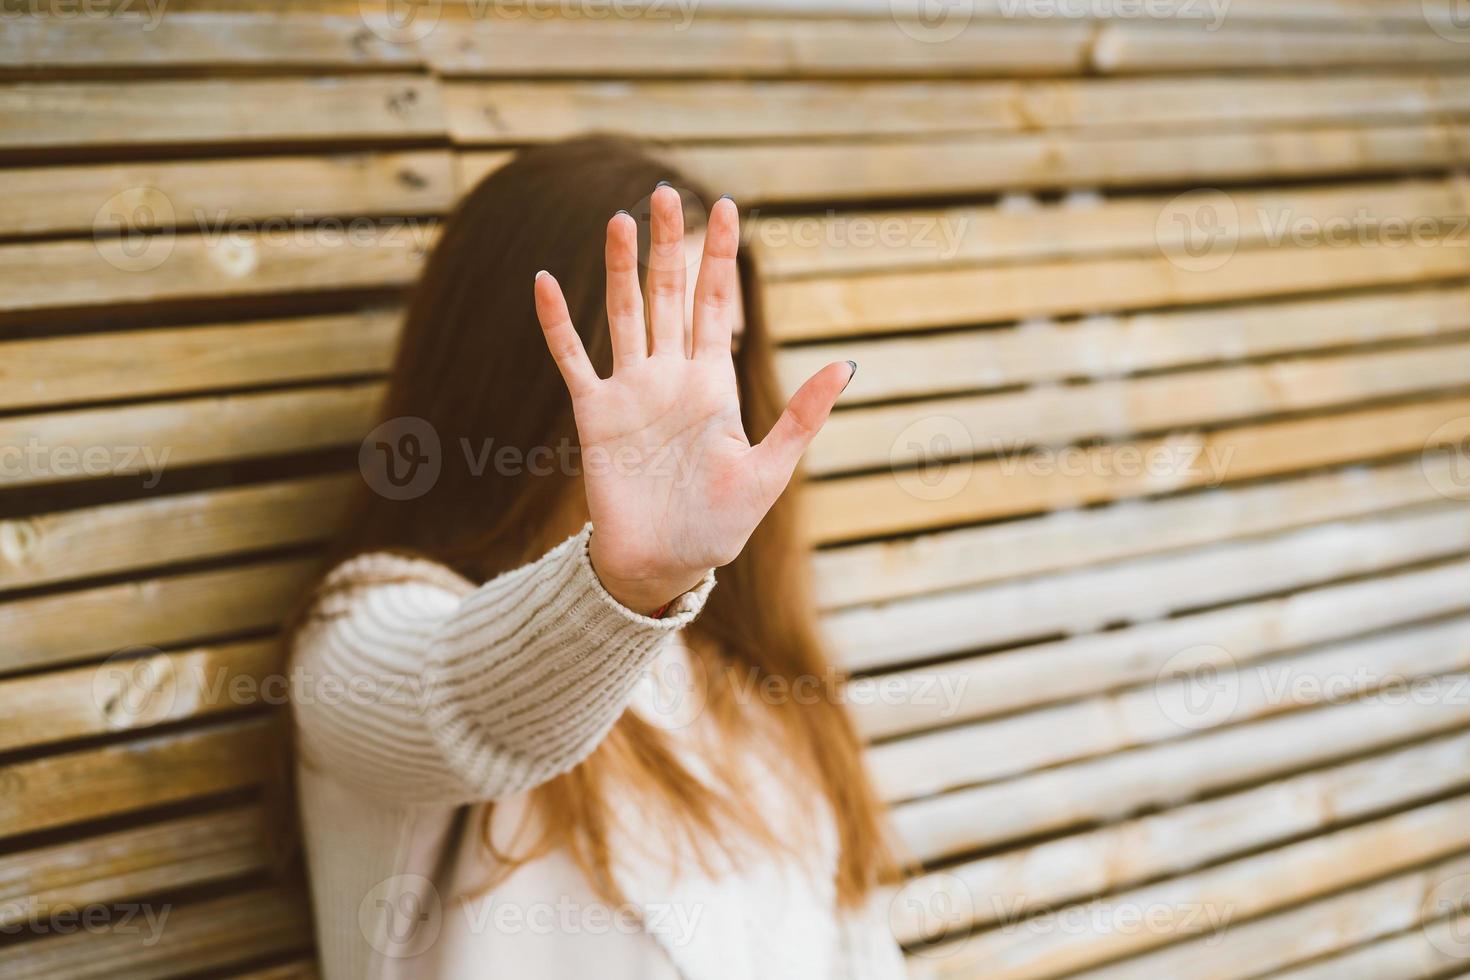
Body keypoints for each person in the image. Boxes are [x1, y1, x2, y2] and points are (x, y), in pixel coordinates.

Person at [288, 135, 905, 979]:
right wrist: (629, 584)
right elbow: (468, 707)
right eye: (656, 346)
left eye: (721, 348)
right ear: (524, 369)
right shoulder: (363, 631)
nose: (704, 396)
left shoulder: (754, 675)